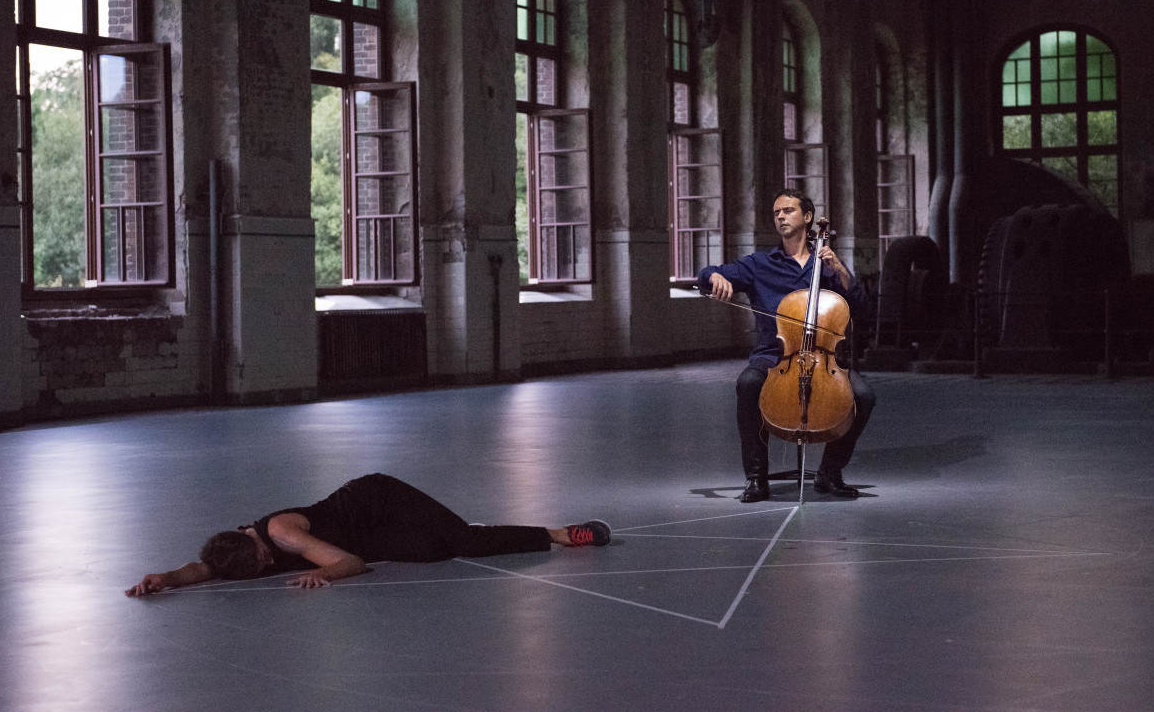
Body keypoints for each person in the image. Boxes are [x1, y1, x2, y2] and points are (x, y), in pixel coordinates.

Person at [125, 472, 610, 596]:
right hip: (366, 537)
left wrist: (325, 576)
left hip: (375, 502)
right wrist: (164, 579)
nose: (270, 567)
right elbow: (203, 568)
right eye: (261, 571)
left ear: (256, 541)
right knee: (435, 551)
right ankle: (470, 532)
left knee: (461, 539)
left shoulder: (283, 535)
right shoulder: (234, 552)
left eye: (265, 560)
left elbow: (352, 564)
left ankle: (563, 533)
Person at [698, 189, 876, 502]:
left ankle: (829, 472)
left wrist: (841, 272)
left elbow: (862, 309)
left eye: (788, 210)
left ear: (807, 217)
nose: (781, 216)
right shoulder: (760, 264)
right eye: (777, 211)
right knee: (748, 384)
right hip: (774, 356)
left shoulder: (828, 265)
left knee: (863, 396)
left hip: (825, 358)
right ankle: (756, 478)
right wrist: (713, 276)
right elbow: (707, 275)